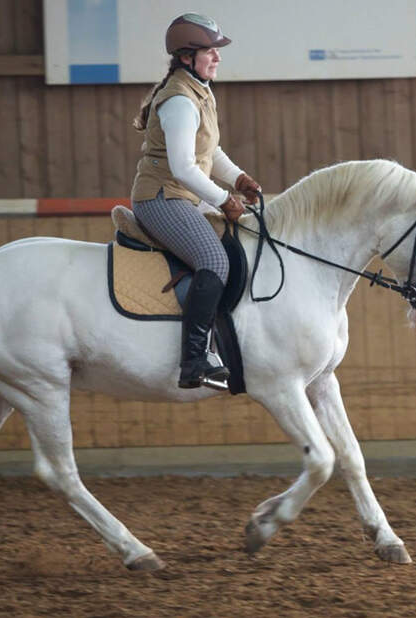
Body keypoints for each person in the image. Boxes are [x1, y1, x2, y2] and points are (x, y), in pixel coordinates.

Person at [130, 12, 262, 390]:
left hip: (185, 196)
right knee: (213, 260)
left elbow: (210, 150)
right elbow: (184, 167)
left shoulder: (198, 91)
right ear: (187, 56)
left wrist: (238, 178)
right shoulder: (179, 101)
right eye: (211, 52)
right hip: (162, 198)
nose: (218, 58)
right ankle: (195, 362)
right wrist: (225, 200)